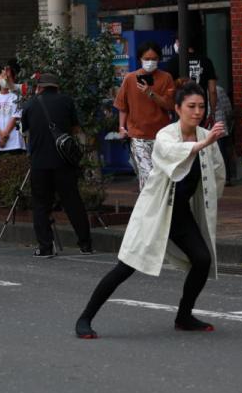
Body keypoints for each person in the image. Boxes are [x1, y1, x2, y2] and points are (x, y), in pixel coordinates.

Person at [74, 83, 227, 337]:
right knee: (126, 266)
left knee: (202, 260)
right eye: (191, 106)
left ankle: (184, 316)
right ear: (177, 109)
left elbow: (217, 172)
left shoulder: (205, 136)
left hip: (180, 213)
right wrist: (204, 143)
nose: (197, 111)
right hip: (155, 211)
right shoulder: (167, 135)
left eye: (201, 106)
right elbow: (170, 154)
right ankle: (85, 318)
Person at [21, 73, 93, 258]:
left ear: (40, 87)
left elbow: (26, 131)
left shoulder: (29, 105)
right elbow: (76, 129)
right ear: (56, 86)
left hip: (39, 163)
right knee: (73, 202)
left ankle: (45, 247)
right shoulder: (67, 101)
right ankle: (85, 244)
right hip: (63, 161)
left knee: (40, 205)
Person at [115, 42, 176, 191]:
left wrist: (150, 93)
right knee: (147, 175)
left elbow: (169, 105)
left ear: (159, 59)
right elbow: (123, 107)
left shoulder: (166, 78)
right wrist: (122, 128)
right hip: (138, 135)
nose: (150, 62)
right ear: (140, 59)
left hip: (162, 135)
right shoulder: (130, 79)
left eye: (154, 59)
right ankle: (147, 207)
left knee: (162, 175)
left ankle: (158, 207)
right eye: (147, 58)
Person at [0, 70, 25, 155]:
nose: (5, 79)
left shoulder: (16, 97)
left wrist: (4, 136)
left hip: (14, 142)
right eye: (2, 76)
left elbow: (15, 117)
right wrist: (2, 135)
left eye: (7, 77)